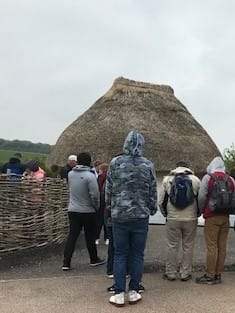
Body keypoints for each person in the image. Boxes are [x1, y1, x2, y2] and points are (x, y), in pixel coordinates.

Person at [106, 130, 157, 307]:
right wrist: (152, 208)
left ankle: (119, 293)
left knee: (120, 254)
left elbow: (109, 188)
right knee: (137, 254)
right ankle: (134, 291)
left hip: (119, 215)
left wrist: (109, 205)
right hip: (140, 216)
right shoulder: (148, 165)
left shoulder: (115, 163)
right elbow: (152, 190)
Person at [196, 156, 235, 285]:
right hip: (225, 217)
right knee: (222, 247)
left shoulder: (208, 178)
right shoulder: (230, 179)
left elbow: (202, 196)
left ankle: (209, 275)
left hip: (212, 216)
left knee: (212, 246)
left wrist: (203, 210)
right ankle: (218, 274)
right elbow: (234, 199)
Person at [61, 152, 105, 271]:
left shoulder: (70, 174)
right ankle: (93, 259)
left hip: (73, 209)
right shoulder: (90, 176)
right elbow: (95, 195)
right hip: (87, 210)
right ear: (89, 162)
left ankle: (66, 262)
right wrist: (96, 207)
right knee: (90, 236)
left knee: (72, 236)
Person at [158, 161, 201, 281]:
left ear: (176, 167)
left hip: (173, 218)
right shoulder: (196, 180)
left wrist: (166, 214)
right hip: (190, 218)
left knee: (172, 245)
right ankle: (185, 273)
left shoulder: (167, 179)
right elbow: (200, 199)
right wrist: (198, 214)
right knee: (188, 246)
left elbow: (161, 201)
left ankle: (170, 273)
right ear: (188, 168)